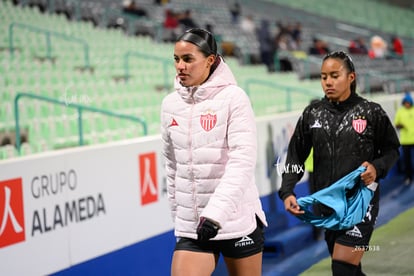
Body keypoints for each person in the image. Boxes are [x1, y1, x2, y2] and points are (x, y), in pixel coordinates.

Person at [278, 51, 400, 275]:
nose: (328, 82)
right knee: (350, 269)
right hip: (328, 205)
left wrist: (376, 167)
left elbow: (392, 150)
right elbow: (296, 156)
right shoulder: (311, 114)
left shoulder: (371, 112)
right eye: (324, 77)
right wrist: (287, 191)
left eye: (334, 75)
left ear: (351, 77)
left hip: (361, 203)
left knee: (342, 268)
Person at [161, 28, 267, 276]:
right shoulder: (169, 104)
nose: (180, 66)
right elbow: (172, 165)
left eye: (188, 59)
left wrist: (215, 215)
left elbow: (242, 161)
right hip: (193, 226)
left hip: (236, 220)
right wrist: (180, 216)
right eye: (176, 59)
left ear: (210, 60)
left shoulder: (234, 98)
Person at [394, 92, 414, 185]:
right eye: (405, 102)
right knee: (406, 161)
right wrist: (399, 125)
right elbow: (396, 124)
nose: (407, 104)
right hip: (405, 141)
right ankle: (408, 177)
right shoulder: (400, 111)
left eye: (408, 102)